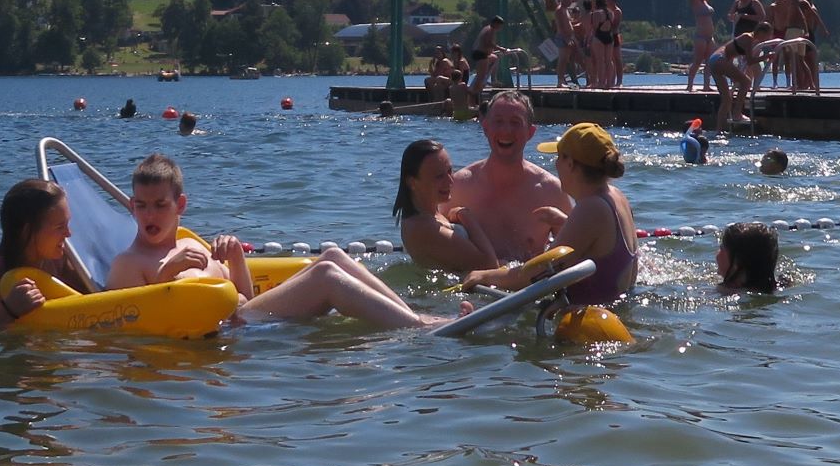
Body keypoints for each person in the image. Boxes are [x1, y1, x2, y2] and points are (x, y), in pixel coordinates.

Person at [105, 154, 455, 328]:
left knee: (333, 255)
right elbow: (133, 321)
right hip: (233, 332)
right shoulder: (129, 263)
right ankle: (417, 328)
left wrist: (236, 262)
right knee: (327, 278)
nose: (149, 215)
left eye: (159, 206)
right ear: (131, 206)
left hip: (246, 319)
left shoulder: (189, 244)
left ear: (180, 205)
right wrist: (167, 275)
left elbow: (243, 295)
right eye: (141, 206)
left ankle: (411, 316)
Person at [460, 123, 638, 307]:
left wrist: (484, 275)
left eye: (559, 157)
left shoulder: (591, 208)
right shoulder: (616, 196)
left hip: (588, 324)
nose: (555, 164)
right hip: (616, 310)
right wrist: (566, 221)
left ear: (570, 164)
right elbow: (603, 244)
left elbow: (536, 274)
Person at [448, 91, 571, 260]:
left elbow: (573, 252)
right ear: (485, 127)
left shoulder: (552, 190)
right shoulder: (459, 187)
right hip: (470, 283)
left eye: (515, 123)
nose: (506, 130)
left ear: (530, 132)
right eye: (498, 122)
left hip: (532, 285)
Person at [0, 178, 94, 327]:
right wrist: (10, 311)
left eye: (67, 224)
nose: (69, 234)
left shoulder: (60, 258)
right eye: (60, 227)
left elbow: (91, 299)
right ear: (27, 231)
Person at [392, 139, 499, 273]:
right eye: (439, 176)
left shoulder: (430, 214)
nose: (450, 180)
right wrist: (466, 216)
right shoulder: (424, 229)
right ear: (412, 182)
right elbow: (489, 265)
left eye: (449, 171)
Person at [707, 20, 760, 129]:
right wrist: (767, 57)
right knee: (746, 82)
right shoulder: (749, 37)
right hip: (720, 60)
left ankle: (719, 131)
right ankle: (737, 114)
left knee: (727, 99)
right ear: (762, 32)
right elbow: (750, 61)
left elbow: (743, 60)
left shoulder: (745, 39)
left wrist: (737, 75)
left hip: (714, 60)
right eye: (768, 35)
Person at [716, 222, 782, 294]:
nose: (717, 253)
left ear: (736, 262)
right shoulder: (779, 285)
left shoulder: (726, 292)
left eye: (721, 248)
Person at [687, 0, 716, 92]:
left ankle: (706, 85)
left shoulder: (705, 3)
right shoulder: (696, 2)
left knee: (709, 62)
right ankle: (690, 85)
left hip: (709, 37)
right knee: (698, 61)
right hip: (701, 37)